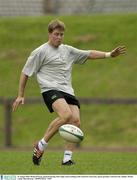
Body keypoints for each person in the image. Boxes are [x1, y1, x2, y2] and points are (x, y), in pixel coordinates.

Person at [12, 19, 126, 166]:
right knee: (66, 115)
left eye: (61, 34)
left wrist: (110, 54)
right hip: (50, 89)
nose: (59, 37)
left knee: (76, 122)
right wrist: (21, 94)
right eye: (56, 34)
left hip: (67, 90)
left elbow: (89, 53)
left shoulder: (68, 50)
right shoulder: (40, 52)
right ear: (50, 34)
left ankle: (67, 159)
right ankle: (41, 145)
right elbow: (25, 72)